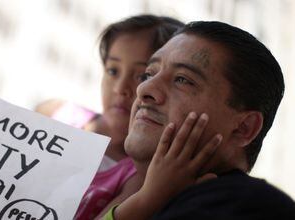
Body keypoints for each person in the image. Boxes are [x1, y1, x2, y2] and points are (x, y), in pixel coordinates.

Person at [101, 21, 295, 219]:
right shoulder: (115, 192)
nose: (143, 89)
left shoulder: (252, 207)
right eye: (148, 74)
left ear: (244, 128)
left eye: (183, 79)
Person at [36, 15, 184, 219]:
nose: (120, 88)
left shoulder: (140, 176)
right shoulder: (55, 114)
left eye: (143, 76)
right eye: (113, 70)